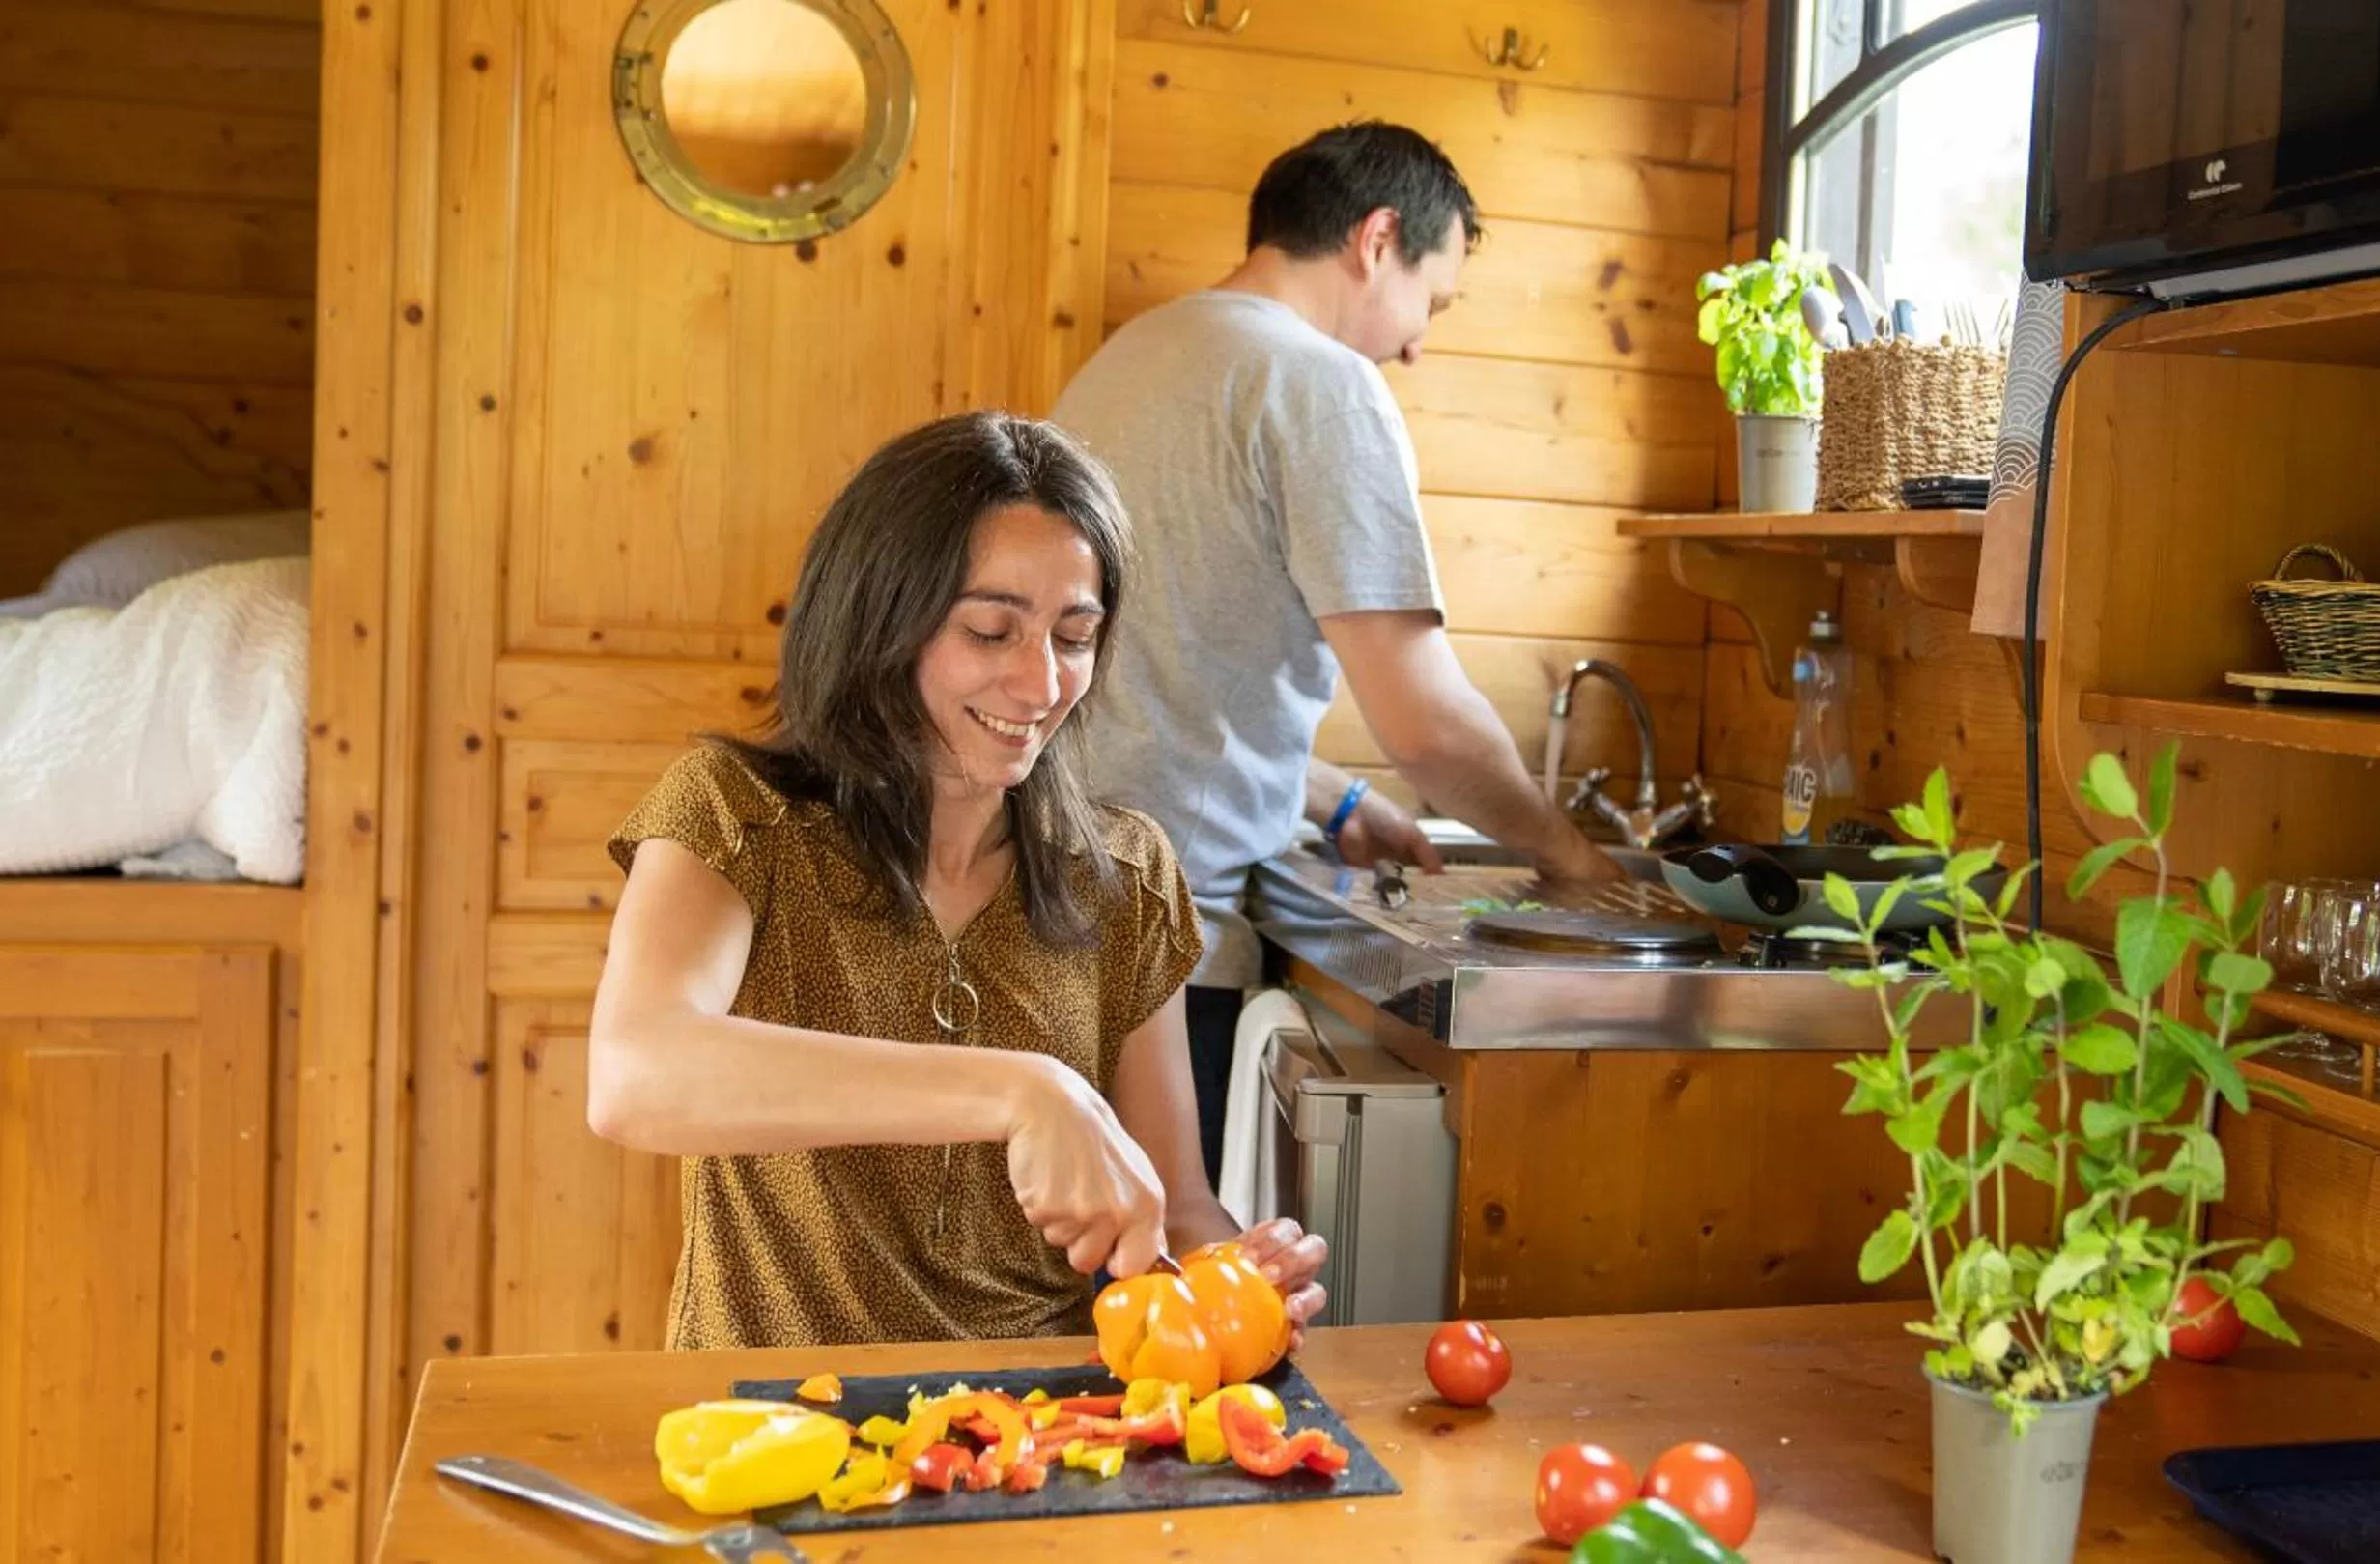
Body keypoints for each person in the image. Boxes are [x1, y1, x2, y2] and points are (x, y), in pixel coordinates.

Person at [585, 411, 1325, 1351]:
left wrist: (1233, 1282)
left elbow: (1177, 1209)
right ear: (878, 618)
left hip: (1033, 1428)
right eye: (991, 630)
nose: (1041, 682)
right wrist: (1022, 1090)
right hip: (767, 1425)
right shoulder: (738, 814)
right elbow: (634, 1073)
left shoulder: (1126, 875)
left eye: (1073, 635)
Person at [1051, 121, 1620, 1182]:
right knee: (1154, 1305)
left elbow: (1157, 670)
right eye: (1431, 302)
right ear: (1377, 237)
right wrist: (1567, 852)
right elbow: (1428, 725)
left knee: (1077, 1307)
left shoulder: (1139, 352)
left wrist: (1336, 803)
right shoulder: (1319, 383)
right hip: (1155, 949)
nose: (1415, 347)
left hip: (1050, 904)